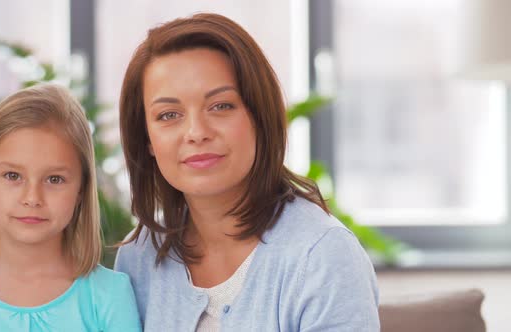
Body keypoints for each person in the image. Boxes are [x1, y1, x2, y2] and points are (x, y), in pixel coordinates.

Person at [114, 12, 380, 331]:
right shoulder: (139, 255)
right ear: (148, 141)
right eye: (169, 114)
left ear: (259, 116)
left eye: (221, 106)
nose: (197, 132)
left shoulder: (323, 255)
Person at [0, 84, 141, 331]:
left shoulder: (109, 297)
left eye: (54, 179)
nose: (32, 198)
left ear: (81, 187)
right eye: (13, 175)